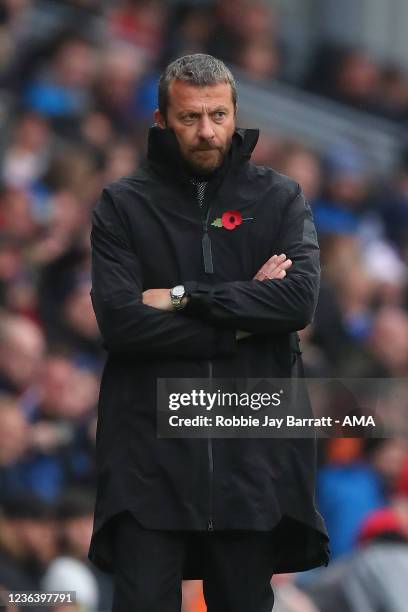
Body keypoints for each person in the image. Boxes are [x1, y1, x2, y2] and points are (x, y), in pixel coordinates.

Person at [88, 53, 330, 611]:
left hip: (251, 458)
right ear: (161, 121)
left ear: (235, 114)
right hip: (148, 455)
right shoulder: (123, 205)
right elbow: (123, 323)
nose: (206, 132)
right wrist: (243, 326)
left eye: (218, 116)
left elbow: (297, 300)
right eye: (190, 117)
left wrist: (182, 297)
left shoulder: (279, 198)